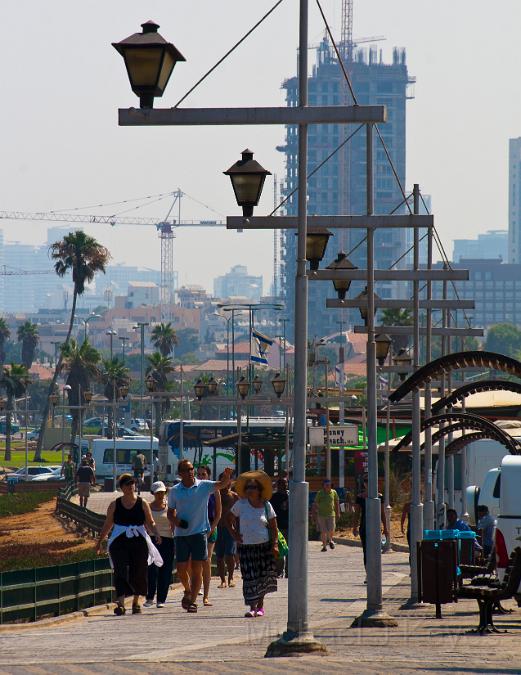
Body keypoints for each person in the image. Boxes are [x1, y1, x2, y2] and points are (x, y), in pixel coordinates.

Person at [168, 459, 233, 613]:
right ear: (180, 473)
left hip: (199, 533)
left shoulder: (203, 486)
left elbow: (221, 485)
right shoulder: (175, 491)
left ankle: (193, 600)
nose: (190, 472)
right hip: (181, 534)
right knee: (181, 569)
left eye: (191, 469)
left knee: (197, 568)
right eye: (187, 470)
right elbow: (170, 512)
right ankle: (188, 589)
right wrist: (177, 522)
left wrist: (227, 476)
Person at [96, 473, 163, 616]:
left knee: (139, 570)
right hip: (119, 540)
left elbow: (150, 521)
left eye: (132, 483)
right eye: (127, 483)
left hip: (138, 540)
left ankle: (136, 602)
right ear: (121, 487)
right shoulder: (115, 504)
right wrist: (100, 541)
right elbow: (108, 523)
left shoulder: (142, 503)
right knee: (120, 570)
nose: (131, 485)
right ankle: (120, 602)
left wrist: (156, 533)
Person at [227, 470, 279, 618]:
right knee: (249, 577)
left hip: (263, 546)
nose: (250, 490)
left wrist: (274, 544)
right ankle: (252, 607)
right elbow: (228, 520)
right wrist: (235, 535)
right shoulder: (240, 504)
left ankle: (260, 607)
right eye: (248, 487)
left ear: (259, 490)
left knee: (262, 578)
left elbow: (274, 527)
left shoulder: (267, 505)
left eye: (253, 487)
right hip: (246, 547)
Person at [143, 481, 175, 609]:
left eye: (162, 492)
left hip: (167, 540)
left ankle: (161, 599)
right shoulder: (148, 507)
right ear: (153, 493)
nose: (160, 495)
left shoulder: (169, 507)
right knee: (151, 570)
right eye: (158, 493)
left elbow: (173, 524)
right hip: (152, 540)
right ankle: (150, 597)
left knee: (165, 570)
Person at [353, 475, 389, 581]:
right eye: (366, 481)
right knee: (366, 551)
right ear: (364, 483)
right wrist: (354, 527)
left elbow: (382, 513)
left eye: (370, 481)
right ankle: (368, 573)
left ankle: (376, 572)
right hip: (364, 527)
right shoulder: (360, 497)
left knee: (376, 550)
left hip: (376, 527)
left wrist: (386, 528)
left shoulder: (379, 496)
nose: (368, 483)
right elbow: (357, 514)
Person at [197, 465, 222, 606]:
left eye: (203, 474)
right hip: (196, 528)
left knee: (206, 559)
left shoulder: (214, 490)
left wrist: (211, 528)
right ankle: (193, 588)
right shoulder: (194, 490)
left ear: (208, 475)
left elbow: (218, 513)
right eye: (199, 474)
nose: (201, 477)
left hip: (211, 527)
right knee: (193, 561)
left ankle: (206, 595)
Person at [215, 473, 238, 588]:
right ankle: (222, 579)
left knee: (230, 554)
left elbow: (239, 515)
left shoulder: (234, 496)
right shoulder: (215, 494)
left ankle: (231, 577)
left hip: (230, 529)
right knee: (219, 556)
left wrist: (238, 530)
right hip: (218, 527)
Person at [312, 479, 340, 552]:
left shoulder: (334, 492)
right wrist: (314, 514)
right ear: (323, 486)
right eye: (326, 484)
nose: (327, 486)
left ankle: (330, 540)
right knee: (323, 531)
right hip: (321, 515)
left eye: (329, 484)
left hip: (331, 514)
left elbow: (336, 503)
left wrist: (338, 513)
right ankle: (324, 546)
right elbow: (315, 503)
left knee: (331, 529)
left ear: (331, 485)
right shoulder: (320, 493)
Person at [270, 477, 289, 577]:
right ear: (278, 485)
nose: (285, 485)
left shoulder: (291, 495)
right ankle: (279, 571)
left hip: (290, 527)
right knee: (280, 551)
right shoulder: (274, 497)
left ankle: (289, 572)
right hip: (278, 527)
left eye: (286, 483)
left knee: (290, 551)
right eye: (282, 483)